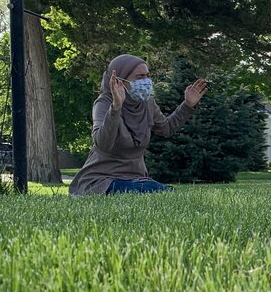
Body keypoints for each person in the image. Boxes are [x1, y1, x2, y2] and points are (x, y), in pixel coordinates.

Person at [69, 54, 207, 196]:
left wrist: (188, 105)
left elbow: (166, 129)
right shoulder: (103, 103)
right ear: (119, 81)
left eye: (147, 76)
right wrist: (116, 107)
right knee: (151, 190)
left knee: (155, 190)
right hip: (102, 179)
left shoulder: (147, 103)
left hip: (136, 178)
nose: (146, 81)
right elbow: (102, 143)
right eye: (140, 77)